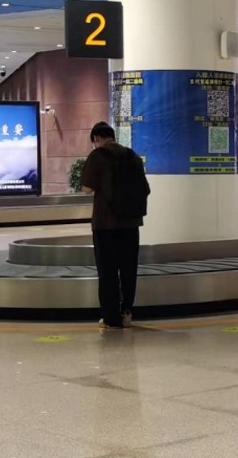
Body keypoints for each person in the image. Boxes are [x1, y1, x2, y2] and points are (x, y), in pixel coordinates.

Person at [80, 122, 150, 329]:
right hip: (131, 223)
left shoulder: (98, 155)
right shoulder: (132, 155)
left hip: (106, 224)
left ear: (96, 138)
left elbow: (87, 188)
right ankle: (127, 312)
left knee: (108, 271)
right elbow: (145, 188)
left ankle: (111, 318)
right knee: (128, 269)